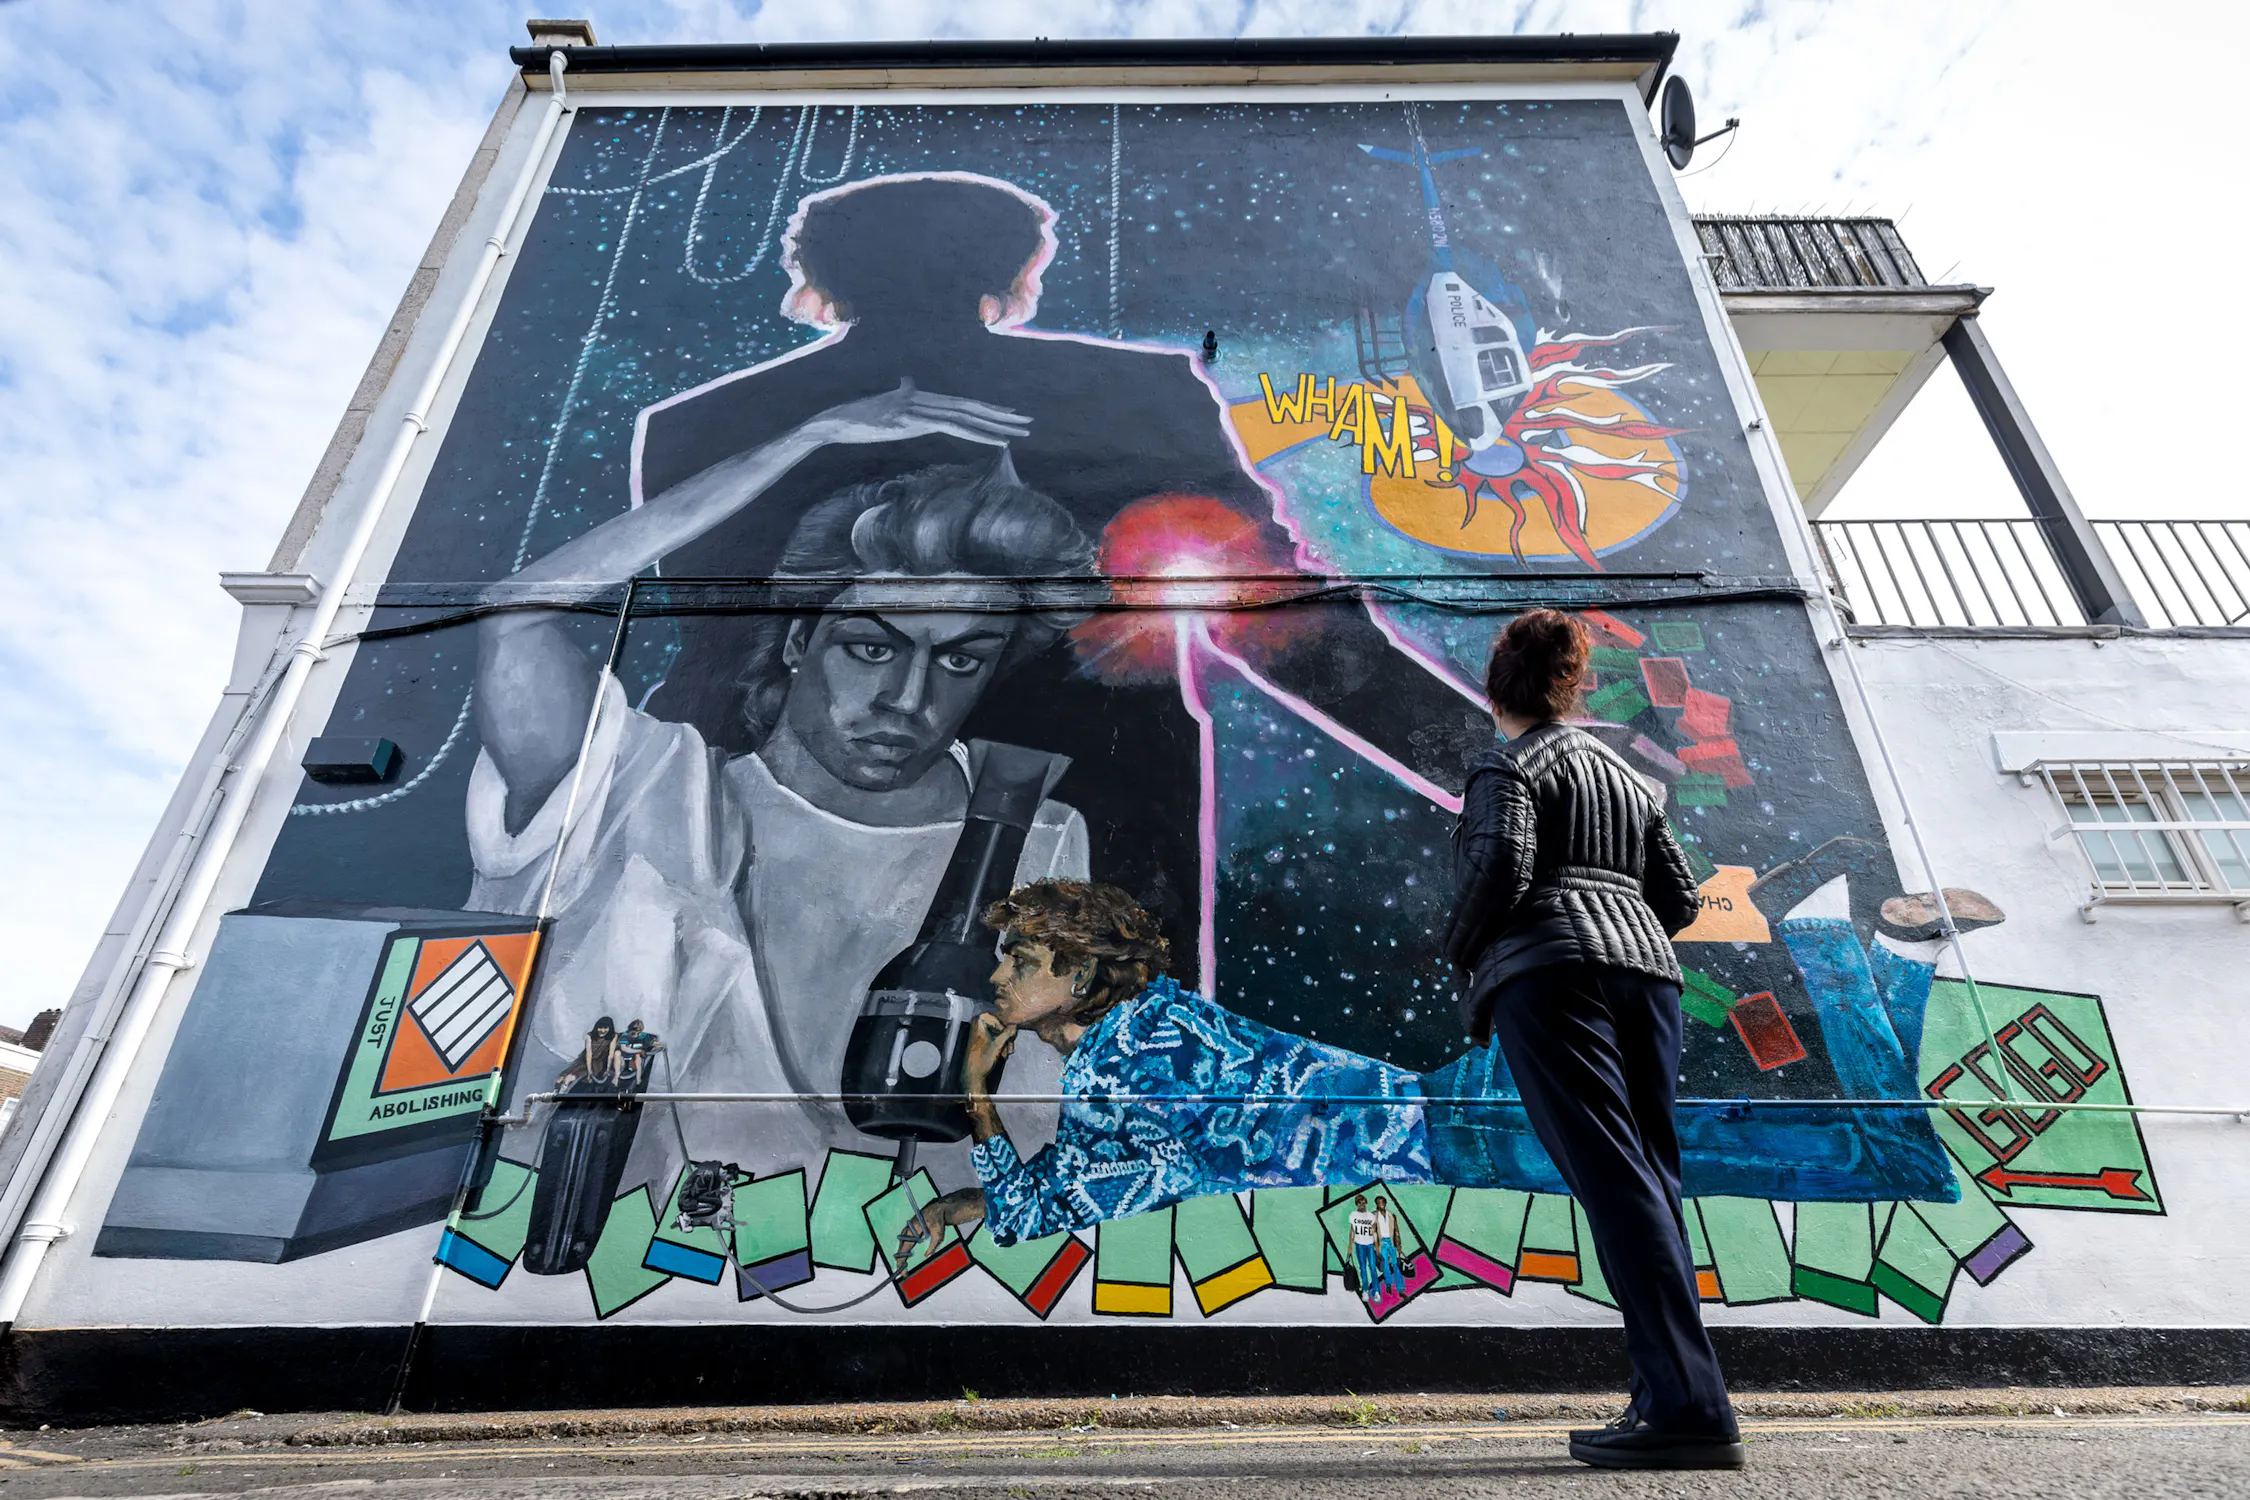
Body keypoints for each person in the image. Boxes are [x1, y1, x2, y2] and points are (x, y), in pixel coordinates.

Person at [633, 172, 1495, 978]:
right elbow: (1289, 624)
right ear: (1011, 272)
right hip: (1092, 819)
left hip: (748, 841)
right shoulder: (1129, 390)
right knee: (1100, 1110)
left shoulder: (699, 426)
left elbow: (715, 657)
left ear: (826, 278)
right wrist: (1503, 768)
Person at [470, 384, 1096, 1196]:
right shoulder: (640, 787)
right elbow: (513, 614)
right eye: (871, 650)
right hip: (627, 1273)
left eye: (960, 662)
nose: (909, 700)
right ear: (801, 639)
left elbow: (1043, 1105)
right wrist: (803, 436)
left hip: (904, 1272)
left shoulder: (1035, 834)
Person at [1442, 608, 1742, 1471]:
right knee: (1649, 1181)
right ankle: (1673, 1396)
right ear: (1569, 688)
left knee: (1615, 1184)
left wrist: (1464, 949)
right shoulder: (1626, 777)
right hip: (1647, 979)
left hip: (1551, 973)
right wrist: (1622, 924)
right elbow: (1680, 897)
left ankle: (1688, 1409)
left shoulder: (1505, 764)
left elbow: (1501, 863)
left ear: (1494, 691)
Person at [894, 879, 1431, 1257]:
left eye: (1021, 961)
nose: (997, 976)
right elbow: (1070, 1181)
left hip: (1450, 1156)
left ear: (1080, 974)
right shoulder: (1149, 1026)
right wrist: (961, 1203)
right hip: (1435, 1134)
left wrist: (978, 1095)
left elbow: (1026, 1222)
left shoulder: (1117, 1073)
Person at [1370, 1194, 1408, 1299]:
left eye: (1382, 1202)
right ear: (1376, 1204)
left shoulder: (1392, 1215)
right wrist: (1376, 1246)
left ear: (1385, 1203)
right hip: (1381, 1243)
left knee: (1396, 1265)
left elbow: (1396, 1231)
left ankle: (1401, 1289)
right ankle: (1388, 1285)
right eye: (1378, 1202)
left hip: (1391, 1242)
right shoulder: (1373, 1215)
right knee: (1385, 1265)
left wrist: (1399, 1246)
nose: (1380, 1204)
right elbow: (1373, 1232)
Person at [1346, 1195, 1381, 1301]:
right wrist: (1350, 1245)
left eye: (1363, 1202)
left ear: (1366, 1203)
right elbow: (1352, 1231)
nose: (1361, 1204)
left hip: (1370, 1245)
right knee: (1363, 1269)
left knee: (1372, 1268)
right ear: (1356, 1204)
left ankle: (1375, 1291)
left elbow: (1374, 1232)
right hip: (1359, 1245)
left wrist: (1377, 1246)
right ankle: (1365, 1290)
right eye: (1359, 1203)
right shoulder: (1353, 1215)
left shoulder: (1371, 1216)